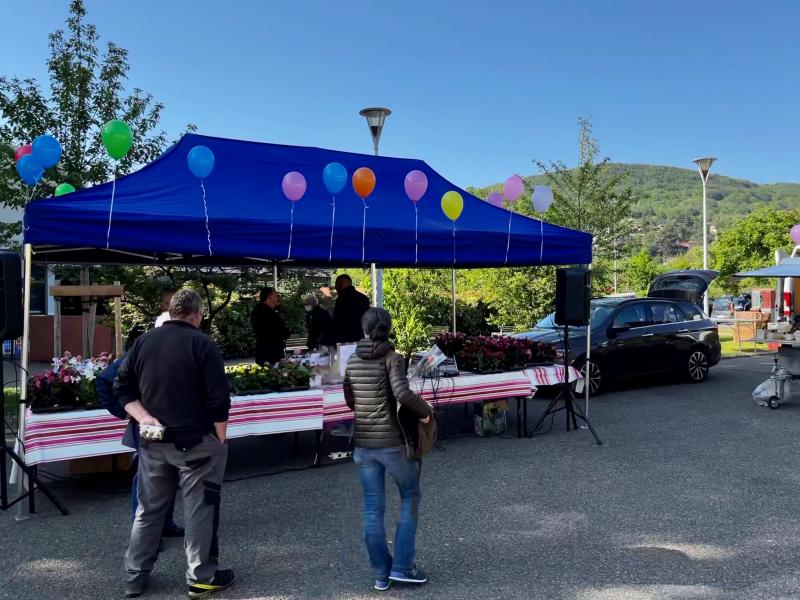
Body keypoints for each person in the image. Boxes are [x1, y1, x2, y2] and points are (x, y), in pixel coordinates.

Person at [115, 289, 234, 599]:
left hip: (153, 441)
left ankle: (134, 577)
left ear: (172, 312)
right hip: (196, 442)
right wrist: (221, 439)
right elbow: (219, 399)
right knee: (200, 509)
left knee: (148, 511)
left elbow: (121, 387)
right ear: (196, 314)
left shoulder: (144, 342)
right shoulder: (203, 344)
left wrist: (144, 417)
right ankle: (201, 577)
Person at [343, 307, 433, 592]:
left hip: (364, 445)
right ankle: (403, 568)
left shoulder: (352, 360)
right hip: (393, 444)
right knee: (410, 496)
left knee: (372, 509)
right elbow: (402, 393)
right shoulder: (393, 358)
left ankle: (382, 574)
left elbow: (349, 399)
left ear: (364, 329)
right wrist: (425, 412)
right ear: (388, 329)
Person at [96, 325, 183, 538]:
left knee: (169, 473)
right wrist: (125, 412)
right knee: (147, 479)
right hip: (148, 426)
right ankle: (146, 533)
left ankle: (165, 524)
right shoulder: (138, 355)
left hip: (169, 424)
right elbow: (104, 380)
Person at [251, 286, 289, 365]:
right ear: (269, 296)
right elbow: (277, 330)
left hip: (268, 352)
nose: (277, 297)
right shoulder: (265, 312)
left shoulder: (259, 310)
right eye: (275, 295)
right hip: (271, 354)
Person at [331, 274, 370, 344]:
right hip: (360, 340)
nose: (336, 287)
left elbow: (337, 323)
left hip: (344, 341)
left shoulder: (341, 300)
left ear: (342, 284)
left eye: (337, 284)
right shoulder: (364, 298)